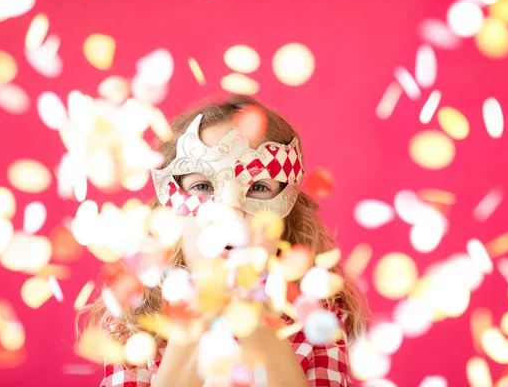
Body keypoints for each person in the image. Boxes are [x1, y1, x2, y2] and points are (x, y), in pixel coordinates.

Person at [80, 95, 366, 386]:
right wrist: (190, 332)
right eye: (202, 186)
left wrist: (260, 328)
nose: (230, 213)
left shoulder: (317, 318)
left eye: (258, 187)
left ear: (287, 212)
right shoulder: (135, 322)